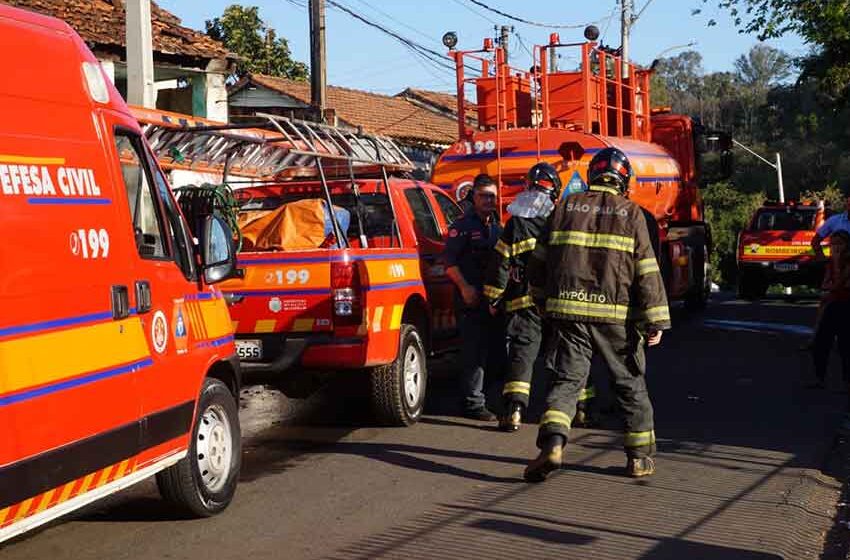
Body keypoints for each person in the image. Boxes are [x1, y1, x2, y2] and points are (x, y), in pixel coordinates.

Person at [523, 147, 671, 482]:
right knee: (629, 382)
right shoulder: (632, 214)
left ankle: (553, 444)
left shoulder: (563, 207)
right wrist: (656, 319)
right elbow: (646, 270)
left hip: (568, 311)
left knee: (568, 379)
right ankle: (639, 458)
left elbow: (539, 262)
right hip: (617, 316)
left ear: (592, 176)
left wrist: (542, 301)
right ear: (624, 180)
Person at [483, 162, 563, 432]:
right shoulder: (560, 218)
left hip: (524, 302)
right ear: (554, 191)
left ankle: (515, 410)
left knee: (522, 355)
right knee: (563, 355)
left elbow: (501, 263)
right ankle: (575, 411)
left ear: (528, 186)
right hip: (558, 302)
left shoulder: (515, 222)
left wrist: (493, 297)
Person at [444, 174, 505, 420]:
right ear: (474, 197)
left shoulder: (495, 225)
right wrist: (465, 288)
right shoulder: (462, 226)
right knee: (474, 353)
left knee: (496, 352)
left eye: (492, 196)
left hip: (492, 299)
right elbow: (449, 262)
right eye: (484, 196)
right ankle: (472, 404)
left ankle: (486, 397)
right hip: (470, 298)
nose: (489, 200)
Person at [811, 230, 850, 390]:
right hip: (834, 303)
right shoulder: (830, 263)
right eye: (833, 244)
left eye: (839, 244)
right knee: (821, 341)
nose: (836, 248)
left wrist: (830, 289)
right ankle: (820, 378)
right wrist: (829, 289)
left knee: (845, 344)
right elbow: (825, 284)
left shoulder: (847, 262)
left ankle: (847, 381)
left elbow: (839, 284)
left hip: (846, 304)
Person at [811, 195, 850, 259]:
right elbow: (815, 242)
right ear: (847, 204)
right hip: (837, 265)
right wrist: (823, 260)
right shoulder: (834, 220)